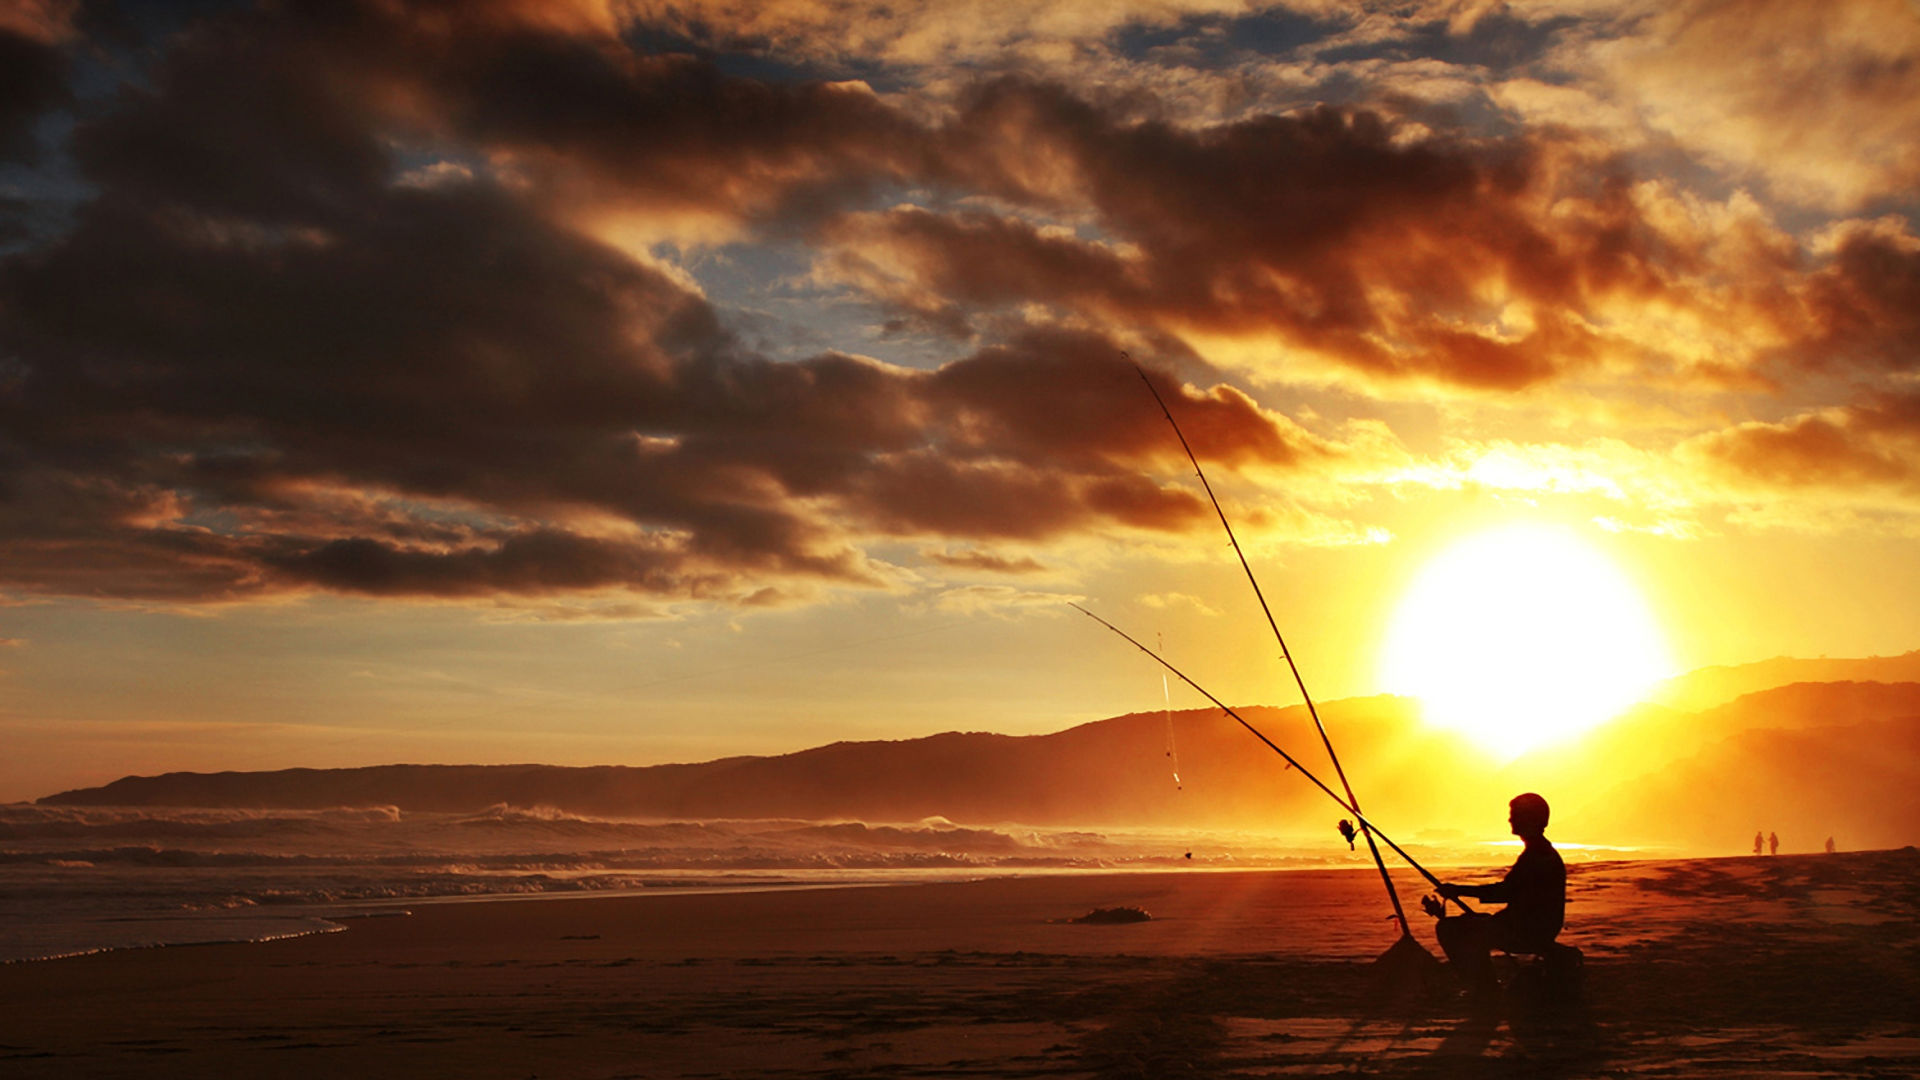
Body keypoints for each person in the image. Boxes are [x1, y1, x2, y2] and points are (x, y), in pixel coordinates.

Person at [1432, 792, 1566, 998]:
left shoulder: (1537, 855)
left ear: (1529, 818)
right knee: (1470, 925)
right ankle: (1484, 986)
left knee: (1450, 928)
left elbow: (1505, 892)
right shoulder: (1540, 851)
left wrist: (1458, 890)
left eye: (1515, 814)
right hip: (1530, 926)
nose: (1510, 819)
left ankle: (1484, 988)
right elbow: (1512, 892)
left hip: (1527, 931)